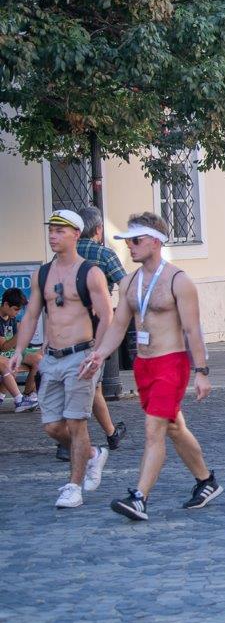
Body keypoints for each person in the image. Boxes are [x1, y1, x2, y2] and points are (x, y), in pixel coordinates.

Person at [79, 212, 222, 520]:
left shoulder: (178, 280)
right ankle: (206, 481)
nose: (129, 246)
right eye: (128, 240)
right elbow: (118, 325)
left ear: (156, 242)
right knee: (174, 427)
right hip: (144, 365)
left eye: (136, 240)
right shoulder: (129, 282)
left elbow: (193, 329)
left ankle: (139, 497)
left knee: (154, 428)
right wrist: (98, 355)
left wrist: (201, 372)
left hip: (171, 363)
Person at [8, 211, 112, 509]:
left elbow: (107, 316)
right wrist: (19, 352)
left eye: (59, 231)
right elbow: (30, 316)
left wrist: (97, 353)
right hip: (51, 359)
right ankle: (92, 455)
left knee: (75, 423)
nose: (53, 235)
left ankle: (74, 486)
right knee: (52, 427)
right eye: (51, 230)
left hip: (80, 356)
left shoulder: (90, 272)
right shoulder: (42, 273)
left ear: (76, 234)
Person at [75, 206, 127, 453]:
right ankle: (72, 440)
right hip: (97, 324)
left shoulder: (65, 255)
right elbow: (124, 283)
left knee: (92, 383)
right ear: (98, 229)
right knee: (86, 381)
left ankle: (111, 433)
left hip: (70, 324)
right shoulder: (105, 254)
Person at [0, 289, 41, 412]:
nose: (17, 313)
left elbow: (16, 344)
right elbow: (4, 347)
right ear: (6, 304)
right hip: (3, 353)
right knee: (9, 363)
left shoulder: (11, 318)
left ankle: (28, 394)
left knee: (39, 359)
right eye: (16, 309)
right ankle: (19, 400)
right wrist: (21, 333)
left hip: (10, 352)